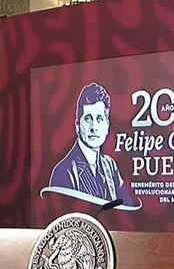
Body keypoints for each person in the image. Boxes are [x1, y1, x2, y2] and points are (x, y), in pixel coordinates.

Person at [42, 82, 141, 210]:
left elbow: (128, 208)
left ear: (107, 126)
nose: (94, 127)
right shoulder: (64, 172)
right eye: (88, 119)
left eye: (99, 119)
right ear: (77, 126)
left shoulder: (110, 166)